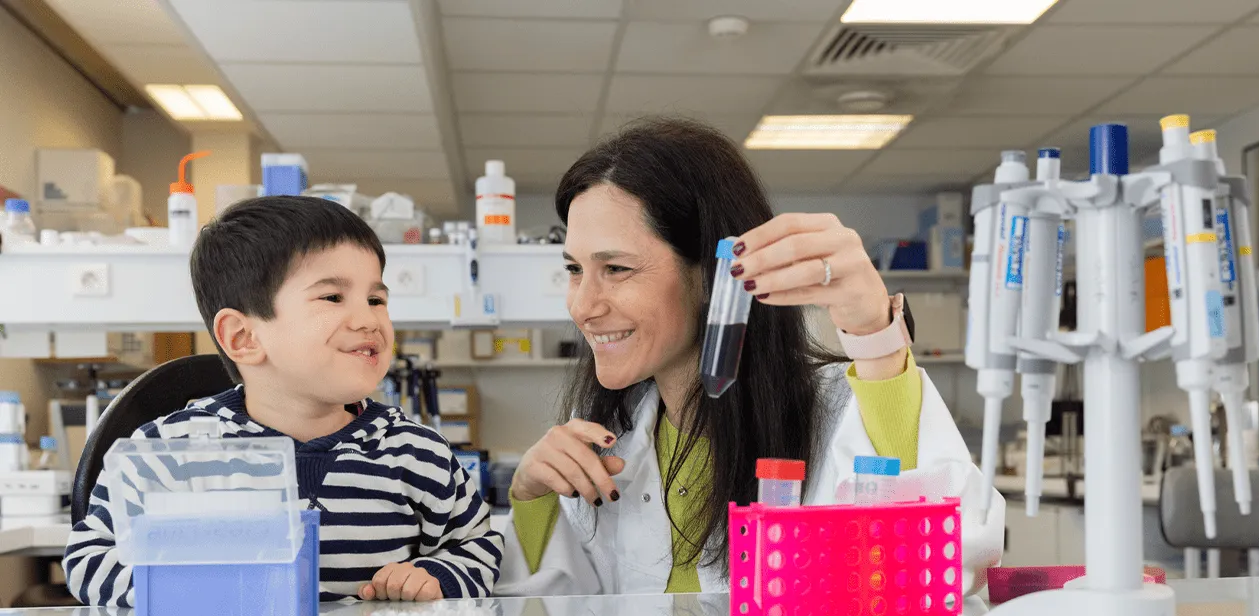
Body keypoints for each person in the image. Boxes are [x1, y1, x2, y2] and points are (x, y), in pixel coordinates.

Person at [496, 118, 1004, 605]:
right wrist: (531, 495)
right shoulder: (613, 442)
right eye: (574, 268)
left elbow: (945, 562)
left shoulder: (837, 410)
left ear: (714, 275)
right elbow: (555, 601)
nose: (583, 306)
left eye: (617, 268)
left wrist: (876, 337)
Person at [64, 197, 503, 607]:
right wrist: (200, 591)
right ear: (244, 336)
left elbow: (477, 547)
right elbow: (89, 559)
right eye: (333, 297)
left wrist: (436, 576)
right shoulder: (169, 451)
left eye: (376, 299)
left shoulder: (417, 452)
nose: (369, 319)